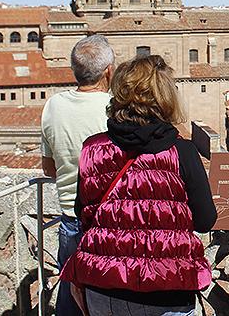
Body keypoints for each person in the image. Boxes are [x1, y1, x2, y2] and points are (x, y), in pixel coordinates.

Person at [61, 54, 217, 316]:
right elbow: (205, 220)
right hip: (168, 286)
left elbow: (82, 212)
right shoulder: (183, 152)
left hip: (103, 285)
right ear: (166, 97)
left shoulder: (92, 149)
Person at [41, 35, 115, 316]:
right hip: (109, 221)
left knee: (70, 294)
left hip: (70, 219)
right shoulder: (115, 107)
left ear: (74, 70)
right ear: (108, 71)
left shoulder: (53, 106)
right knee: (109, 295)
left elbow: (49, 168)